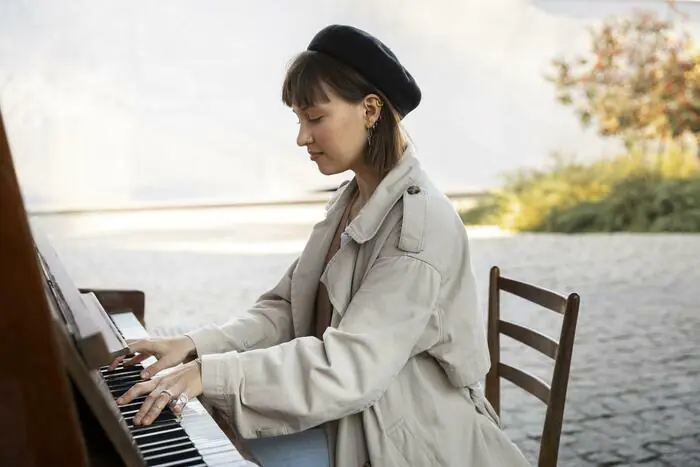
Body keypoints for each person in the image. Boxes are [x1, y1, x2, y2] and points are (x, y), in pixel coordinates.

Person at [113, 24, 531, 467]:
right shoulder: (352, 201)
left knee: (216, 452)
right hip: (356, 416)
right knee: (211, 430)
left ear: (370, 110)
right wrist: (195, 347)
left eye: (315, 118)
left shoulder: (419, 228)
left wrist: (208, 374)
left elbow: (349, 367)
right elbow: (285, 308)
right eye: (299, 119)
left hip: (407, 437)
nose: (302, 137)